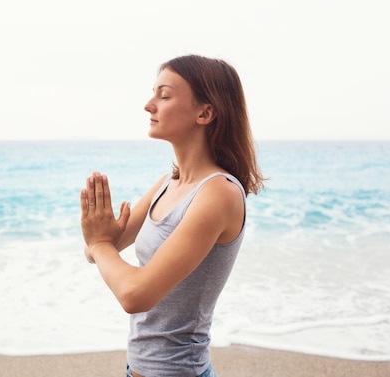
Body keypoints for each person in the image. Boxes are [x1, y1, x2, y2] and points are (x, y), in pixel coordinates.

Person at [80, 54, 265, 377]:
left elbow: (134, 294)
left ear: (205, 112)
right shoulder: (168, 183)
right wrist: (98, 240)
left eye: (164, 95)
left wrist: (99, 244)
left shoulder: (218, 193)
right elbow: (97, 251)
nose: (149, 105)